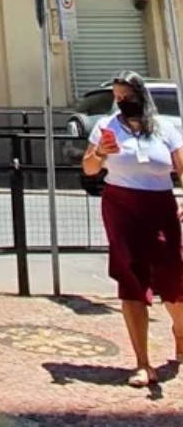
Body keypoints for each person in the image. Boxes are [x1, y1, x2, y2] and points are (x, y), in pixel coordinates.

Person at [82, 71, 183, 387]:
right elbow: (88, 168)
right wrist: (100, 153)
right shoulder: (106, 127)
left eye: (126, 96)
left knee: (173, 277)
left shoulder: (165, 128)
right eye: (117, 97)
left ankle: (180, 335)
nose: (121, 102)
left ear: (141, 96)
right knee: (131, 279)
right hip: (121, 207)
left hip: (161, 206)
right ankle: (142, 363)